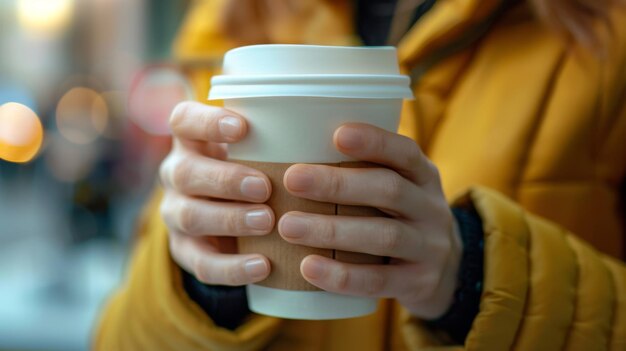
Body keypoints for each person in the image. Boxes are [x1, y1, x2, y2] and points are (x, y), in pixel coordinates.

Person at [94, 0, 626, 349]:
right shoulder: (238, 22)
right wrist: (199, 280)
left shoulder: (604, 35)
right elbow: (114, 340)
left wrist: (475, 278)